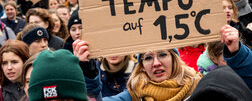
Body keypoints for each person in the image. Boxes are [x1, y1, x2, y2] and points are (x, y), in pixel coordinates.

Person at [73, 41, 202, 100]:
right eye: (148, 58)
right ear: (142, 67)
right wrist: (87, 69)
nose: (156, 63)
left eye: (163, 55)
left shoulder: (198, 87)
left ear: (174, 59)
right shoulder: (133, 96)